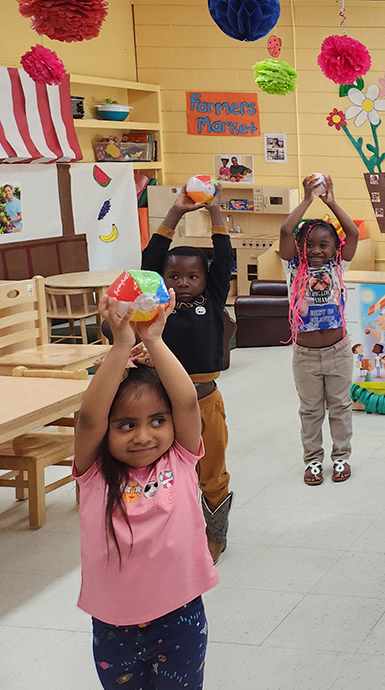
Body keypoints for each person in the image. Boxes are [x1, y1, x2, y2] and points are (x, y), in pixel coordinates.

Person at [73, 294, 217, 690]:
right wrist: (121, 347)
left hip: (180, 618)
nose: (143, 436)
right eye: (125, 425)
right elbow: (89, 418)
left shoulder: (180, 459)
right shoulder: (95, 473)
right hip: (113, 626)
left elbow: (186, 401)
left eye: (157, 421)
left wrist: (154, 340)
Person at [140, 185, 233, 563]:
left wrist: (214, 212)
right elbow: (150, 259)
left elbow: (224, 255)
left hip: (204, 399)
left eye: (191, 276)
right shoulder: (158, 304)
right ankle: (169, 530)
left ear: (203, 278)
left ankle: (216, 533)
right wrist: (175, 213)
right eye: (173, 276)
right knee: (163, 469)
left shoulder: (212, 298)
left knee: (211, 471)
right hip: (161, 400)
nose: (182, 282)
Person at [280, 174, 360, 486]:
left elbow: (351, 232)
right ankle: (313, 461)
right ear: (300, 247)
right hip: (305, 355)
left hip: (338, 351)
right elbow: (287, 229)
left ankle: (341, 458)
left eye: (323, 244)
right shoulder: (293, 268)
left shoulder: (339, 265)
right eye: (309, 244)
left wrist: (330, 201)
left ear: (334, 248)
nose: (316, 250)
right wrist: (307, 199)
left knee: (340, 407)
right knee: (310, 411)